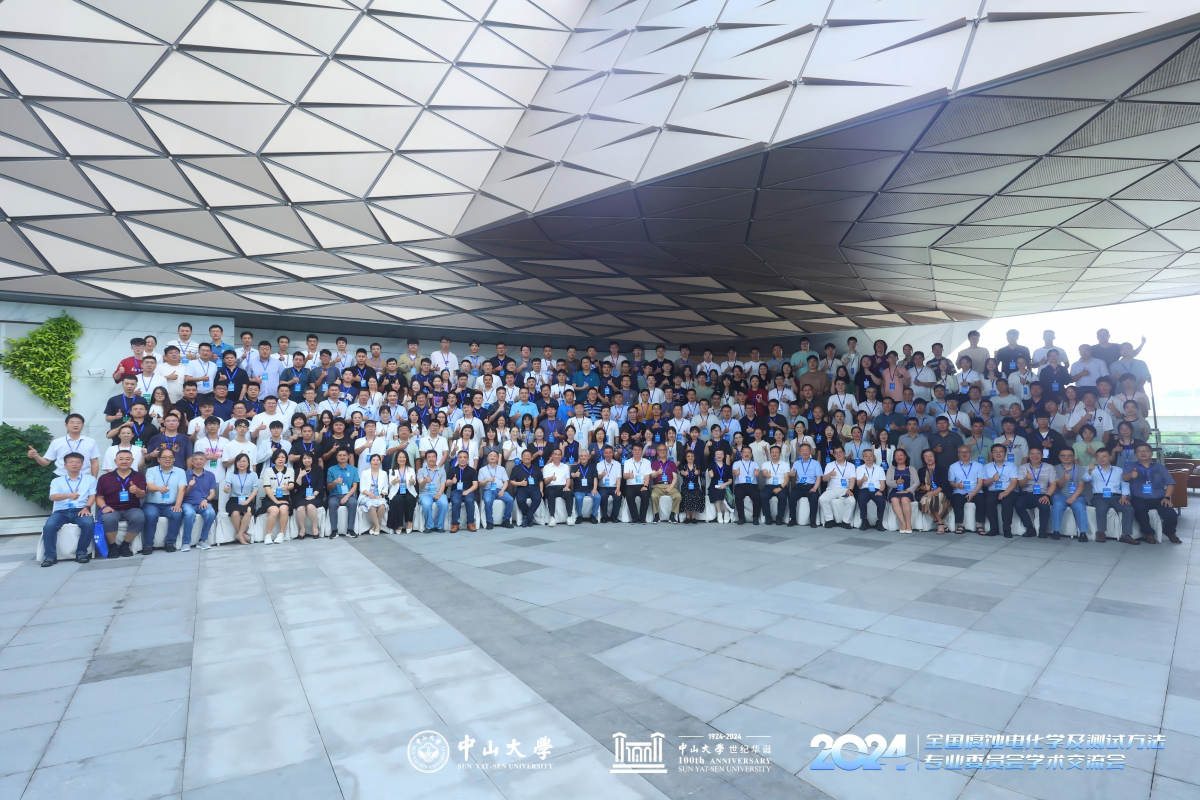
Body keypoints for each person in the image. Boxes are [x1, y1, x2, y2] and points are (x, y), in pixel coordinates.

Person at [40, 452, 99, 566]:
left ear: (82, 464)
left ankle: (81, 553)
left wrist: (87, 508)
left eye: (78, 462)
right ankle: (50, 557)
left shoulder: (90, 479)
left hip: (80, 510)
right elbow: (53, 497)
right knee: (49, 526)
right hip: (61, 511)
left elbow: (93, 495)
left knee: (88, 524)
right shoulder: (57, 481)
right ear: (65, 465)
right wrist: (68, 495)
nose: (74, 464)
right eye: (71, 462)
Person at [1122, 443, 1181, 544]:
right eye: (1140, 451)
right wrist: (1131, 475)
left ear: (1151, 454)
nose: (1143, 453)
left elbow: (1170, 483)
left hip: (1159, 498)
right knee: (1140, 512)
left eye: (1146, 451)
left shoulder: (1160, 467)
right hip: (1139, 498)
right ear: (1136, 454)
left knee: (1171, 515)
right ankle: (1149, 533)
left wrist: (1167, 497)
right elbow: (1124, 478)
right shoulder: (1130, 467)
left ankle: (1170, 532)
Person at [1085, 447, 1134, 544]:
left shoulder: (1119, 470)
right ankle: (1101, 532)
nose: (1101, 458)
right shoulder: (1092, 469)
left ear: (1110, 457)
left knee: (1129, 509)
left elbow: (1125, 484)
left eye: (1104, 456)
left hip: (1116, 497)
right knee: (1102, 507)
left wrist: (1124, 497)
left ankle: (1126, 535)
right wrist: (1090, 470)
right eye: (1099, 456)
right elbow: (1086, 479)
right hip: (1099, 497)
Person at [29, 412, 100, 477]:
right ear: (66, 425)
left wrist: (94, 479)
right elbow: (45, 463)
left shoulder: (91, 442)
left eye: (79, 423)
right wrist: (36, 456)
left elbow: (94, 462)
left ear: (83, 425)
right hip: (61, 478)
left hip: (84, 478)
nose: (75, 425)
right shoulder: (57, 442)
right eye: (72, 422)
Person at [143, 447, 186, 553]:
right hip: (152, 504)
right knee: (150, 515)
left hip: (170, 504)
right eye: (164, 457)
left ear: (174, 459)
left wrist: (177, 505)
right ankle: (148, 545)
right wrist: (159, 488)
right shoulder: (151, 470)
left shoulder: (180, 472)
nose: (168, 459)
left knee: (177, 514)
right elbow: (150, 487)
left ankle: (169, 543)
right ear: (158, 459)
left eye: (171, 457)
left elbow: (182, 489)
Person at [1014, 446, 1055, 538]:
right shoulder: (1023, 467)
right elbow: (1021, 485)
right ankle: (1029, 528)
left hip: (1042, 494)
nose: (1035, 456)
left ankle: (1043, 530)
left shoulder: (1049, 467)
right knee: (1019, 504)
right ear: (1029, 455)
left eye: (1038, 453)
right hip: (1027, 494)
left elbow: (1053, 484)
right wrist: (1027, 478)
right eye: (1032, 453)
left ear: (1042, 455)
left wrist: (1047, 496)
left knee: (1045, 506)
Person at [179, 452, 217, 550]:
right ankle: (186, 542)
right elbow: (182, 494)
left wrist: (206, 500)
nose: (199, 461)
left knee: (211, 513)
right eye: (196, 459)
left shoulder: (210, 475)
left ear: (205, 461)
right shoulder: (185, 474)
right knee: (190, 514)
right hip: (188, 503)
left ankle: (202, 540)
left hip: (203, 502)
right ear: (192, 462)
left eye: (201, 459)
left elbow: (212, 493)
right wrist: (189, 487)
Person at [980, 443, 1019, 537]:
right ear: (992, 454)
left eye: (1001, 452)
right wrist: (992, 479)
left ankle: (1007, 529)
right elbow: (984, 483)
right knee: (989, 501)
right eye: (995, 452)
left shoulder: (1012, 466)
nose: (998, 454)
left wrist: (1005, 492)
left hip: (1009, 490)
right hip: (992, 491)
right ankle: (994, 529)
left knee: (1006, 502)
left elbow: (1014, 482)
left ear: (1005, 453)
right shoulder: (986, 467)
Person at [1050, 448, 1088, 541]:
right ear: (1059, 457)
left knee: (1079, 506)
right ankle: (1056, 531)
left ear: (1073, 456)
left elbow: (1081, 485)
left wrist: (1073, 497)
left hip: (1077, 495)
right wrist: (1063, 478)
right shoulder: (1054, 468)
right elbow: (1059, 485)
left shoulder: (1080, 468)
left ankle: (1083, 533)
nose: (1066, 457)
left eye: (1069, 455)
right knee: (1057, 505)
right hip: (1060, 494)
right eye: (1063, 455)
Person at [260, 448, 294, 544]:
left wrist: (288, 487)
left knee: (284, 509)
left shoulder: (290, 470)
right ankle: (268, 535)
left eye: (283, 457)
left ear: (286, 459)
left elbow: (292, 485)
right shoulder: (268, 471)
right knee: (274, 510)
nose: (280, 459)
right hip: (271, 498)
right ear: (274, 459)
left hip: (284, 497)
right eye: (278, 457)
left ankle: (281, 534)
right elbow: (267, 489)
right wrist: (276, 501)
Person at [948, 445, 983, 534]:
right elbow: (951, 482)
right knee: (957, 500)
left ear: (971, 453)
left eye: (966, 452)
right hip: (959, 491)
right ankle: (960, 525)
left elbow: (980, 482)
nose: (964, 454)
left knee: (981, 500)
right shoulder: (953, 466)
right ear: (958, 454)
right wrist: (957, 485)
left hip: (975, 491)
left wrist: (972, 494)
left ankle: (980, 526)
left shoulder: (979, 466)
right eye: (962, 452)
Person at [819, 446, 857, 528]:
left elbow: (852, 479)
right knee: (822, 499)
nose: (838, 454)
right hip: (831, 489)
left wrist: (850, 490)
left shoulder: (851, 466)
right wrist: (830, 474)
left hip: (845, 489)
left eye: (840, 452)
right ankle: (829, 520)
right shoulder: (829, 465)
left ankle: (846, 522)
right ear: (834, 455)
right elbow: (824, 479)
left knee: (852, 501)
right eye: (836, 453)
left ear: (844, 453)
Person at [326, 447, 360, 538]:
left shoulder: (354, 469)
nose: (342, 457)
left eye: (344, 455)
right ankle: (334, 530)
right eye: (340, 455)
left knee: (353, 503)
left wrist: (346, 497)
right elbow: (329, 487)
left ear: (348, 456)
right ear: (336, 457)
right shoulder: (331, 469)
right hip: (335, 495)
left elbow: (355, 486)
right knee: (332, 504)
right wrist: (334, 482)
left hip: (349, 495)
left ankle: (350, 529)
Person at [292, 450, 325, 539]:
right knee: (300, 508)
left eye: (309, 458)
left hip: (315, 495)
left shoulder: (318, 469)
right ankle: (302, 529)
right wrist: (300, 476)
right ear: (301, 460)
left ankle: (315, 527)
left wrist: (313, 495)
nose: (307, 460)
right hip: (301, 496)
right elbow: (297, 487)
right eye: (305, 458)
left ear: (312, 459)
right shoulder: (297, 470)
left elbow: (320, 484)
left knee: (310, 506)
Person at [917, 449, 949, 534]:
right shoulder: (921, 471)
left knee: (933, 500)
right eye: (926, 457)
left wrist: (934, 492)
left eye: (931, 456)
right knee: (924, 502)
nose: (929, 458)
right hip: (927, 493)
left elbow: (945, 484)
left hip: (940, 492)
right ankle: (939, 522)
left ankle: (940, 524)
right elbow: (919, 485)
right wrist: (924, 487)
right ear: (923, 459)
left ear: (934, 457)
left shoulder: (942, 469)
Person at [447, 449, 480, 532]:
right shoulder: (452, 470)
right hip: (456, 491)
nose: (462, 459)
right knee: (456, 501)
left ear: (468, 459)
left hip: (469, 490)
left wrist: (468, 491)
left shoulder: (472, 470)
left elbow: (475, 485)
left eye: (465, 457)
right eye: (460, 457)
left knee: (469, 500)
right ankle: (455, 524)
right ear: (457, 459)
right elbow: (447, 483)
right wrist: (452, 481)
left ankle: (470, 523)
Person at [855, 448, 887, 531]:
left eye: (870, 456)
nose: (868, 457)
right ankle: (864, 521)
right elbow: (858, 484)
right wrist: (862, 479)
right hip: (864, 489)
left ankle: (879, 522)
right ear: (863, 458)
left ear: (873, 457)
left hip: (876, 489)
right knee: (861, 498)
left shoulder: (879, 468)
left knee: (881, 501)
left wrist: (880, 491)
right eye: (866, 456)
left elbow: (883, 483)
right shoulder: (859, 468)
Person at [509, 449, 542, 527]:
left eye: (529, 456)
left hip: (534, 488)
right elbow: (511, 481)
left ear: (532, 458)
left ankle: (527, 516)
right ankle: (530, 517)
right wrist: (520, 483)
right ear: (522, 457)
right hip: (522, 489)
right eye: (525, 456)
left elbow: (541, 481)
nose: (527, 457)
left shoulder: (536, 468)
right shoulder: (516, 468)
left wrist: (541, 491)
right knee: (520, 500)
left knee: (537, 498)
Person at [359, 453, 391, 534]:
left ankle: (374, 526)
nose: (375, 462)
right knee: (371, 506)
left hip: (378, 496)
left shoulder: (384, 473)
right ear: (370, 462)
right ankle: (377, 526)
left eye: (377, 460)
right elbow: (362, 488)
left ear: (380, 462)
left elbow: (385, 488)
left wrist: (381, 495)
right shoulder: (364, 473)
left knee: (382, 506)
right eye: (373, 460)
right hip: (366, 496)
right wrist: (369, 494)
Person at [887, 448, 916, 534]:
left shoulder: (911, 469)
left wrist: (908, 490)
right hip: (895, 491)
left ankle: (909, 524)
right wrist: (896, 482)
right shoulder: (891, 469)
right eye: (896, 456)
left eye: (901, 455)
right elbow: (888, 482)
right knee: (894, 500)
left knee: (904, 499)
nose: (899, 457)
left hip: (907, 491)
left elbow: (916, 482)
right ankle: (903, 523)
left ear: (905, 457)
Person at [623, 443, 653, 523]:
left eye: (639, 450)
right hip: (631, 485)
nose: (637, 451)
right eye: (635, 450)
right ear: (632, 451)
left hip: (642, 485)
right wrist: (629, 475)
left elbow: (647, 476)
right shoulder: (627, 462)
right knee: (629, 495)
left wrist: (645, 486)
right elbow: (624, 476)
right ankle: (635, 518)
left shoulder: (647, 462)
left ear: (642, 451)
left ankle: (642, 518)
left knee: (645, 495)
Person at [731, 446, 760, 525]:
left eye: (748, 453)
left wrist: (757, 472)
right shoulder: (737, 463)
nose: (746, 454)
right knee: (738, 497)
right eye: (745, 452)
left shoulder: (754, 463)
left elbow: (757, 470)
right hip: (740, 485)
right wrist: (736, 472)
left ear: (751, 454)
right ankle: (741, 518)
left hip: (752, 485)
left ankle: (755, 517)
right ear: (741, 454)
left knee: (757, 496)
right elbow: (733, 471)